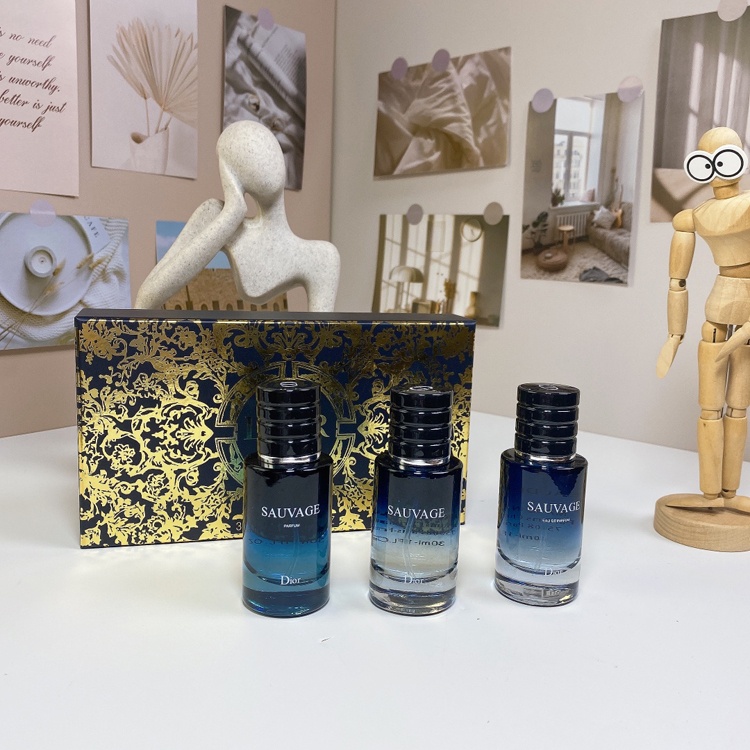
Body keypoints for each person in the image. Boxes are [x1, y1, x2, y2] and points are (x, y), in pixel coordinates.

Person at [135, 120, 339, 311]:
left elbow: (322, 336)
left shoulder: (322, 257)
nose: (262, 157)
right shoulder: (216, 217)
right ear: (229, 173)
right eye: (246, 152)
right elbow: (145, 301)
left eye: (267, 147)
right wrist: (232, 212)